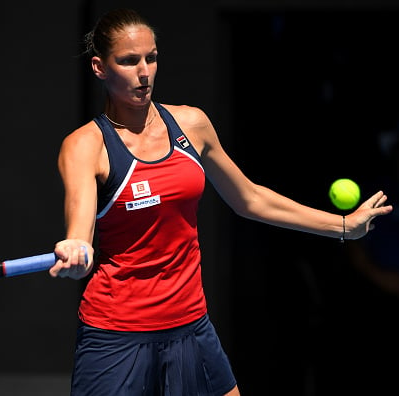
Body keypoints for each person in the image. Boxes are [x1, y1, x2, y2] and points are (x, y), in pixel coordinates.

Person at [47, 8, 393, 396]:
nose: (144, 72)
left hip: (191, 328)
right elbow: (80, 230)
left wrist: (343, 226)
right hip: (115, 336)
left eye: (151, 57)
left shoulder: (191, 125)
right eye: (128, 61)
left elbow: (249, 198)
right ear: (99, 67)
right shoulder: (84, 146)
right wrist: (76, 251)